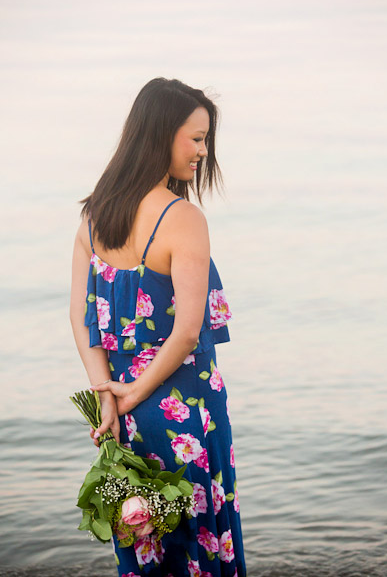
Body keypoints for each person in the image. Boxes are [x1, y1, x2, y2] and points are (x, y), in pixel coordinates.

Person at [69, 78, 247, 576]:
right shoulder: (182, 217)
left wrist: (107, 394)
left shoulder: (93, 217)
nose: (203, 151)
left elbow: (80, 320)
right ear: (161, 134)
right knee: (201, 538)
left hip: (123, 418)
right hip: (185, 406)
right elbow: (187, 332)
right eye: (195, 138)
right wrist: (131, 392)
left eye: (205, 139)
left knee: (143, 539)